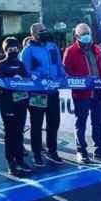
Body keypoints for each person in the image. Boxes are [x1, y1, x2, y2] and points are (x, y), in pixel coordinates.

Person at [63, 24, 101, 164]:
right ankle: (81, 151)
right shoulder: (70, 51)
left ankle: (99, 150)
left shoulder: (96, 49)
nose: (87, 36)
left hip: (97, 92)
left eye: (88, 33)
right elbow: (66, 72)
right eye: (83, 34)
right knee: (81, 123)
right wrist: (82, 80)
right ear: (77, 36)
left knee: (98, 122)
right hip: (81, 94)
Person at [21, 23, 66, 167]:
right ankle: (36, 153)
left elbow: (59, 64)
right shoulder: (28, 51)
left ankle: (52, 151)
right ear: (34, 34)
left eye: (46, 29)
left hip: (53, 92)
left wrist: (63, 76)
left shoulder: (52, 46)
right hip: (37, 94)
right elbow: (25, 71)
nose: (45, 32)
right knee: (37, 124)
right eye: (42, 31)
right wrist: (37, 75)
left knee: (54, 122)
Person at [0, 37, 32, 175]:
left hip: (21, 100)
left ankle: (20, 159)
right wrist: (12, 81)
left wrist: (25, 80)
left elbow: (26, 80)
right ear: (5, 50)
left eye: (16, 48)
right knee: (10, 132)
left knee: (19, 131)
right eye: (10, 49)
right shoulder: (0, 65)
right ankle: (11, 162)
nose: (13, 51)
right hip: (7, 102)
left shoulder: (21, 64)